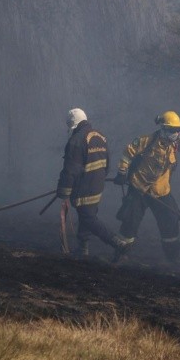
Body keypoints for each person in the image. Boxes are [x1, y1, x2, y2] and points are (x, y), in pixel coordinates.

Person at [112, 110, 180, 263]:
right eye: (172, 130)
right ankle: (121, 254)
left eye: (178, 130)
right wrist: (122, 172)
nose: (176, 133)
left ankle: (172, 258)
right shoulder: (146, 141)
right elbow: (128, 153)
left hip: (161, 192)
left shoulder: (176, 145)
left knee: (171, 221)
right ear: (163, 128)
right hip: (139, 189)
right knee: (130, 222)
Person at [56, 108, 129, 257]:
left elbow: (71, 170)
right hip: (97, 185)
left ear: (73, 125)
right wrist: (100, 177)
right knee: (87, 215)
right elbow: (107, 163)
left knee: (88, 218)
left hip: (84, 187)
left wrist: (63, 191)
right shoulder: (99, 135)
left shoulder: (76, 141)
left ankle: (117, 243)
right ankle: (83, 248)